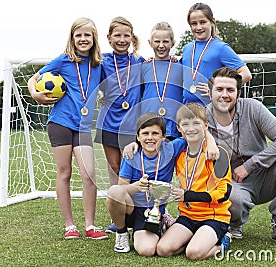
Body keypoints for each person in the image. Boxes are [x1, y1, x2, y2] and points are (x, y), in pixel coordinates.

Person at [206, 66, 276, 247]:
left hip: (264, 175)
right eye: (219, 89)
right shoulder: (203, 116)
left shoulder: (253, 108)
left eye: (230, 90)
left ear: (238, 93)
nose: (224, 95)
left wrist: (250, 165)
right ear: (210, 91)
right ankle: (232, 224)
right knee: (233, 199)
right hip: (231, 181)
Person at [27, 17, 107, 240]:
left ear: (94, 38)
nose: (83, 39)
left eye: (87, 35)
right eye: (78, 35)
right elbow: (34, 79)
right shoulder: (63, 61)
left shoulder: (98, 64)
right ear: (72, 38)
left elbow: (110, 84)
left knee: (89, 175)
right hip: (60, 123)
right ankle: (70, 226)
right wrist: (35, 94)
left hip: (82, 127)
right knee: (65, 173)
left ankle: (90, 226)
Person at [106, 112, 219, 255]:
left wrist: (211, 141)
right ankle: (121, 234)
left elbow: (194, 134)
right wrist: (137, 187)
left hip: (153, 211)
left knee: (146, 250)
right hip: (131, 208)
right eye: (145, 133)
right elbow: (121, 189)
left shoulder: (171, 149)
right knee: (114, 192)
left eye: (155, 133)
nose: (150, 138)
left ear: (163, 136)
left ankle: (162, 221)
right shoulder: (131, 154)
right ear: (138, 136)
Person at [156, 102, 232, 260]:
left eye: (196, 123)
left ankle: (223, 241)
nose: (191, 128)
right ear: (178, 128)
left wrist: (188, 196)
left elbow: (224, 193)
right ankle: (195, 238)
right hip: (188, 215)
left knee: (193, 253)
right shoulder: (179, 154)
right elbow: (151, 146)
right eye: (185, 124)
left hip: (214, 216)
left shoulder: (217, 153)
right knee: (163, 249)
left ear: (206, 125)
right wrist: (133, 145)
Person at [93, 16, 145, 233]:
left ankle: (141, 214)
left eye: (126, 35)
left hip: (132, 125)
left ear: (132, 37)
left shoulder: (140, 62)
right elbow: (91, 83)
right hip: (108, 121)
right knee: (114, 168)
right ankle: (119, 219)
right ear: (109, 38)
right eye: (118, 35)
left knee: (133, 168)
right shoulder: (101, 61)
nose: (122, 39)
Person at [181, 2, 252, 106]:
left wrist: (218, 88)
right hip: (188, 110)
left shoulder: (221, 48)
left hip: (212, 109)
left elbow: (246, 74)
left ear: (212, 22)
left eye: (203, 22)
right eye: (194, 23)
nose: (198, 27)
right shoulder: (186, 49)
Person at [141, 22, 183, 140]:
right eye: (157, 41)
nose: (161, 45)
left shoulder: (180, 66)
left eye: (165, 41)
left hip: (173, 127)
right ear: (150, 42)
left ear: (172, 43)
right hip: (149, 127)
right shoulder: (144, 67)